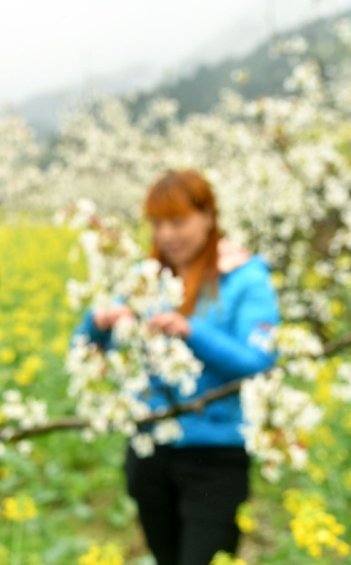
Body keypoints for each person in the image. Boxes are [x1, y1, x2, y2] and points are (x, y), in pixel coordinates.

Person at [72, 170, 280, 565]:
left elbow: (258, 362)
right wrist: (96, 322)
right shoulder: (143, 277)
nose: (166, 234)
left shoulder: (246, 279)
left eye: (178, 221)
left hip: (215, 455)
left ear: (208, 217)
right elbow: (82, 348)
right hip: (149, 448)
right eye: (157, 223)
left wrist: (189, 330)